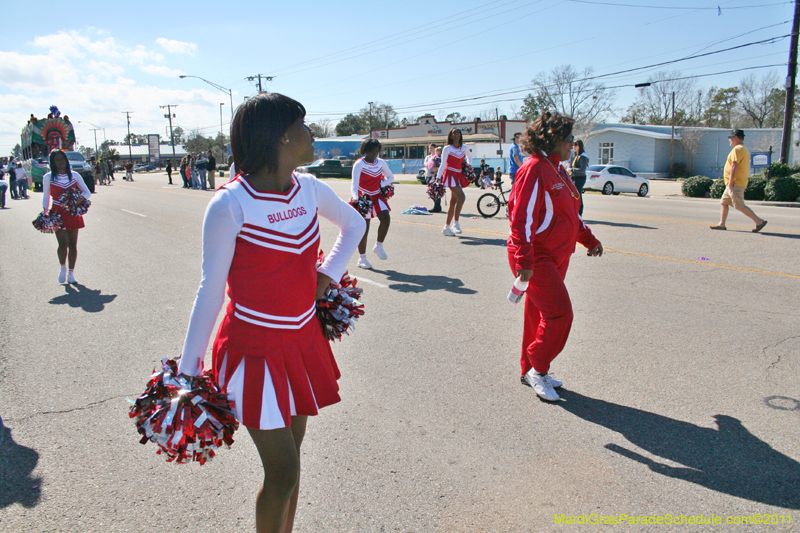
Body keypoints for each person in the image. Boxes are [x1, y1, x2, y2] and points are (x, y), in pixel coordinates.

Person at [177, 93, 364, 533]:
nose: (312, 133)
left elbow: (353, 223)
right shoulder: (229, 204)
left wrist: (328, 274)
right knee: (282, 472)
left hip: (301, 342)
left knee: (292, 468)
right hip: (253, 351)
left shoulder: (310, 188)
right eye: (303, 124)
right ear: (281, 135)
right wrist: (187, 373)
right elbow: (210, 290)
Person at [508, 111, 603, 402]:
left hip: (558, 254)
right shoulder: (535, 168)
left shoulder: (557, 167)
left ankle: (529, 369)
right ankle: (538, 367)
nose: (572, 144)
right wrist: (524, 261)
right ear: (553, 140)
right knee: (560, 314)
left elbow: (571, 214)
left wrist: (589, 239)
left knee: (538, 315)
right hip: (537, 256)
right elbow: (520, 218)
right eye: (569, 138)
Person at [43, 150, 92, 284]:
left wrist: (78, 200)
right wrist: (45, 212)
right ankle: (62, 268)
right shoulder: (48, 177)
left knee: (73, 244)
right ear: (53, 162)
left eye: (62, 159)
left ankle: (71, 273)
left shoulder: (75, 175)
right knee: (62, 244)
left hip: (73, 213)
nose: (60, 162)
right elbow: (46, 196)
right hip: (57, 212)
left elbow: (87, 192)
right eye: (57, 160)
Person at [710, 129, 767, 233]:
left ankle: (759, 221)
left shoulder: (738, 149)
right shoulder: (743, 148)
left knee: (739, 205)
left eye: (731, 138)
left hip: (735, 182)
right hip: (733, 183)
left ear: (736, 138)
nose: (730, 140)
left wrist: (731, 181)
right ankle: (721, 224)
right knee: (724, 202)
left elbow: (735, 165)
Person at [351, 138, 394, 269]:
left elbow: (391, 177)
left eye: (376, 150)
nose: (374, 153)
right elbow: (354, 184)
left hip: (377, 196)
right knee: (365, 228)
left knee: (386, 218)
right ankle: (362, 258)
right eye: (372, 151)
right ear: (365, 150)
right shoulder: (359, 164)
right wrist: (356, 199)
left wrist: (382, 183)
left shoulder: (381, 163)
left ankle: (378, 245)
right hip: (364, 197)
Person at [435, 128, 471, 236]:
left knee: (453, 201)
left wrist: (469, 166)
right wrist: (438, 177)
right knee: (462, 197)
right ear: (450, 136)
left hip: (459, 175)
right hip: (450, 175)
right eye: (454, 133)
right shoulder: (447, 148)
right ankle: (455, 223)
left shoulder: (464, 148)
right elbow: (443, 164)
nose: (457, 135)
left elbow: (470, 157)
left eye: (458, 133)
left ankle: (446, 227)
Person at [570, 140, 589, 216]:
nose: (574, 147)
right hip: (575, 178)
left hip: (580, 178)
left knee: (578, 194)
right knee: (574, 194)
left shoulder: (583, 157)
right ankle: (575, 210)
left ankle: (579, 211)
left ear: (579, 146)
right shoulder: (577, 156)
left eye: (575, 146)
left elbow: (582, 169)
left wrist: (572, 170)